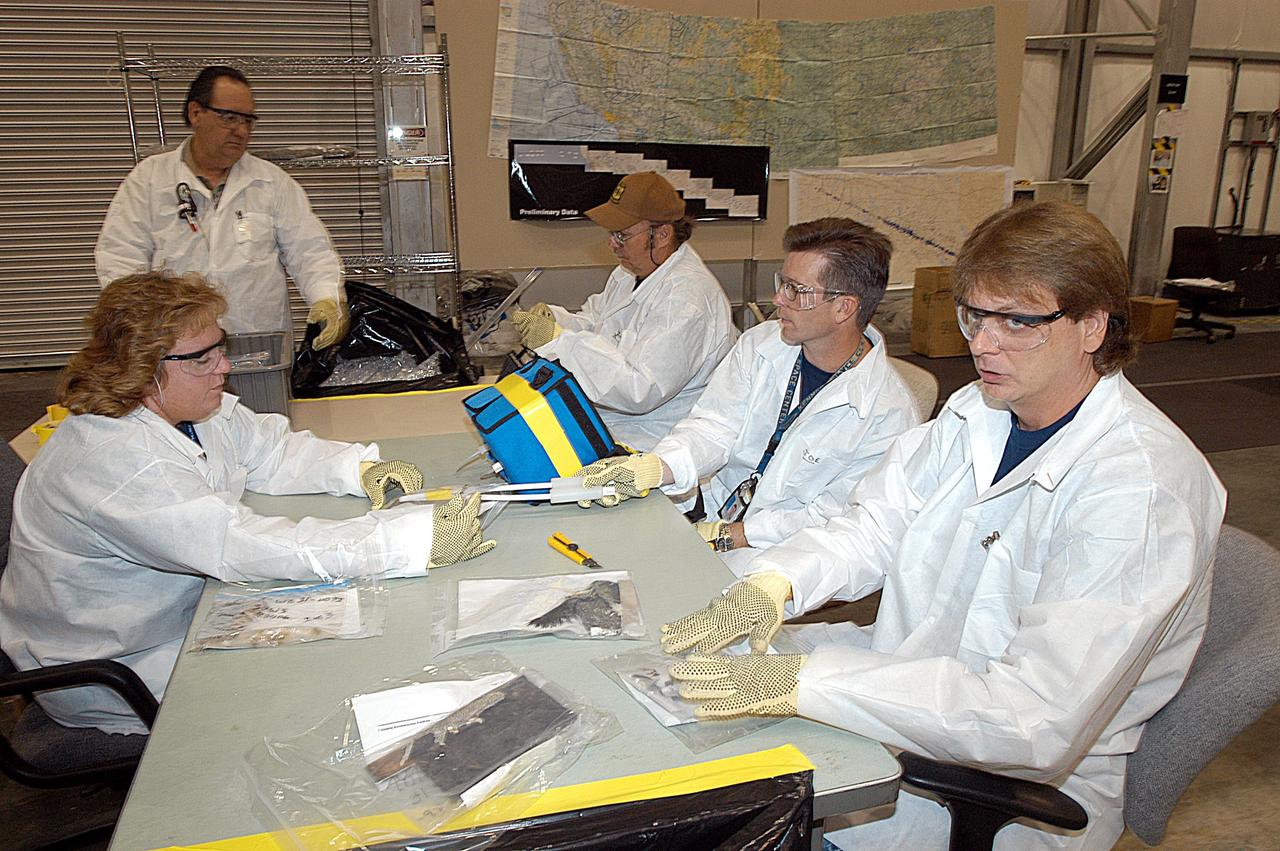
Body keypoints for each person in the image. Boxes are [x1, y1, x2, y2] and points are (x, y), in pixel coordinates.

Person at [660, 201, 1227, 850]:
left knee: (717, 800)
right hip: (909, 683)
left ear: (1093, 326)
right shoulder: (980, 412)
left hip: (997, 787)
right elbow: (873, 523)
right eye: (976, 315)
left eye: (1018, 320)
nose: (982, 344)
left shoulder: (1139, 491)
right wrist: (778, 582)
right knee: (679, 704)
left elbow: (1030, 721)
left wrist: (801, 683)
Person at [0, 272, 494, 736]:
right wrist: (408, 539)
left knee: (358, 625)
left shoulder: (185, 408)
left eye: (221, 348)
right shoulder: (116, 463)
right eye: (202, 358)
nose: (224, 367)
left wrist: (353, 469)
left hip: (179, 613)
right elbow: (240, 546)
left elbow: (267, 449)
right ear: (142, 369)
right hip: (123, 661)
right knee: (322, 688)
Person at [573, 218, 921, 575]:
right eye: (781, 283)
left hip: (778, 553)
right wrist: (658, 468)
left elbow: (836, 517)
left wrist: (733, 535)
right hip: (710, 508)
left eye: (795, 290)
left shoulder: (888, 415)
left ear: (843, 308)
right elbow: (715, 425)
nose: (777, 299)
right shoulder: (762, 343)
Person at [95, 65, 348, 346]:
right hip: (177, 347)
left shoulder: (272, 183)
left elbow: (310, 252)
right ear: (195, 113)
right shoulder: (149, 181)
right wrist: (143, 326)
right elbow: (120, 259)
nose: (240, 130)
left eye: (248, 120)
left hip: (259, 343)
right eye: (229, 117)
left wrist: (326, 298)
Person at [510, 171, 737, 451]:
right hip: (613, 425)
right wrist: (557, 320)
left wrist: (558, 341)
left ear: (662, 234)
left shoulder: (686, 300)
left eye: (622, 235)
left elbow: (640, 390)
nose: (612, 244)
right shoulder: (630, 272)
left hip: (656, 444)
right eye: (611, 234)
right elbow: (598, 324)